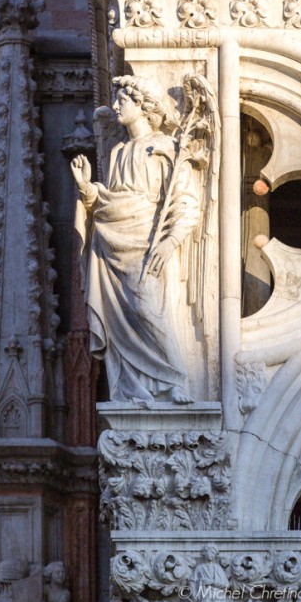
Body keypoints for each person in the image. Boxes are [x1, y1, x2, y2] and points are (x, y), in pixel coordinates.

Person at [71, 75, 200, 403]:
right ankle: (135, 385)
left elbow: (185, 200)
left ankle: (176, 378)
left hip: (145, 243)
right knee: (123, 320)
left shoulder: (165, 147)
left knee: (148, 312)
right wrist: (87, 187)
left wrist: (171, 241)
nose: (115, 107)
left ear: (143, 106)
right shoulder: (117, 152)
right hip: (113, 244)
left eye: (122, 101)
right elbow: (107, 202)